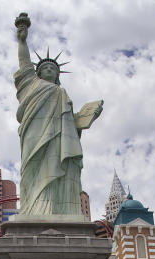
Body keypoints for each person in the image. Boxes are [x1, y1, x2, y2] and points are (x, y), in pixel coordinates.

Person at [13, 13, 103, 218]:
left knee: (60, 172)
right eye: (44, 68)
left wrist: (88, 118)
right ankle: (34, 210)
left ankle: (58, 209)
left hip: (59, 140)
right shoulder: (32, 85)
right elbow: (24, 63)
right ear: (38, 73)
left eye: (53, 69)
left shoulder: (62, 93)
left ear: (58, 74)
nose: (49, 70)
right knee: (33, 173)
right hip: (34, 137)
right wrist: (22, 40)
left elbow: (71, 125)